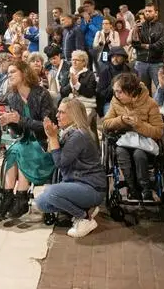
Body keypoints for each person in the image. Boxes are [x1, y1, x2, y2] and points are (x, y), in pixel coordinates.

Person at [36, 98, 106, 238]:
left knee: (51, 192)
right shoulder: (68, 133)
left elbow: (60, 162)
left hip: (91, 187)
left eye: (61, 112)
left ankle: (84, 218)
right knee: (41, 202)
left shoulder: (78, 135)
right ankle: (86, 209)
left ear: (73, 115)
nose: (57, 115)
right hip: (75, 183)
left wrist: (53, 138)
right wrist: (52, 137)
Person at [0, 60, 55, 219]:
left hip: (44, 141)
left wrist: (20, 120)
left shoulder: (41, 94)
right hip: (25, 140)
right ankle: (9, 195)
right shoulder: (12, 96)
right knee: (12, 152)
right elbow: (17, 132)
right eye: (8, 73)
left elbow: (47, 125)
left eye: (13, 72)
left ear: (24, 73)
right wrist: (10, 122)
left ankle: (21, 196)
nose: (9, 75)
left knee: (21, 150)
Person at [102, 72, 164, 202]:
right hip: (124, 140)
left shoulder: (150, 103)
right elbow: (106, 124)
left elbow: (159, 131)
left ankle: (145, 189)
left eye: (120, 92)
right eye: (115, 91)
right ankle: (132, 189)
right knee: (120, 152)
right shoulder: (116, 102)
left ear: (130, 91)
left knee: (139, 154)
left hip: (145, 142)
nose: (117, 95)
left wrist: (139, 125)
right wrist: (121, 120)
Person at [131, 3, 164, 96]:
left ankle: (161, 109)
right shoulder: (140, 27)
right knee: (143, 91)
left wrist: (146, 46)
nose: (147, 13)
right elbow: (135, 44)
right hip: (141, 62)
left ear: (156, 13)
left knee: (161, 88)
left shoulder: (162, 27)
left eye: (150, 11)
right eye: (146, 11)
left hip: (156, 63)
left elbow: (161, 45)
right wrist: (135, 31)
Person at [61, 50, 97, 127]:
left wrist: (77, 85)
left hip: (85, 104)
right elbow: (62, 92)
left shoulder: (90, 75)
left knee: (82, 123)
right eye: (73, 60)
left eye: (77, 60)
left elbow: (90, 93)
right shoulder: (67, 73)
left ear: (84, 62)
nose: (74, 62)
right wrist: (71, 85)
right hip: (69, 104)